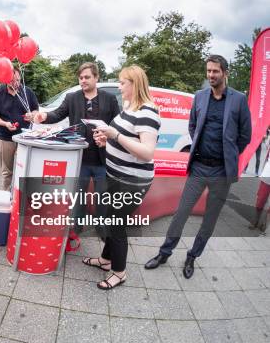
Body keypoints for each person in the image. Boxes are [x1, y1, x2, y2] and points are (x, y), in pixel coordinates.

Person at [145, 55, 252, 279]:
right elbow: (193, 125)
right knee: (181, 213)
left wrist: (228, 154)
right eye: (209, 71)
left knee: (209, 219)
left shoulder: (239, 100)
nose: (211, 75)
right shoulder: (200, 97)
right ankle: (164, 253)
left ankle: (192, 256)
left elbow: (245, 135)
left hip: (222, 172)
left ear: (225, 73)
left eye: (215, 71)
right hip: (199, 168)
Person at [82, 65, 160, 289]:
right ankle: (106, 261)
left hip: (132, 181)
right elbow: (126, 140)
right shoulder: (130, 107)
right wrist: (108, 141)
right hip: (116, 175)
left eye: (123, 82)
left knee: (115, 224)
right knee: (108, 217)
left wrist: (115, 135)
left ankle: (119, 272)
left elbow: (146, 152)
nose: (119, 86)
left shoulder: (148, 112)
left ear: (135, 84)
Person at [33, 62, 120, 231]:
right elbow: (57, 114)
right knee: (78, 197)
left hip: (103, 159)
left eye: (87, 77)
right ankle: (75, 229)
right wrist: (44, 116)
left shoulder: (109, 99)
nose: (83, 81)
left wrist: (108, 136)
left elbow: (116, 124)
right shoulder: (72, 98)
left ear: (96, 77)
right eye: (80, 78)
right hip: (80, 158)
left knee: (102, 198)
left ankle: (102, 230)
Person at [0, 67, 39, 190]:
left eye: (17, 80)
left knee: (25, 169)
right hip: (5, 138)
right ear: (5, 79)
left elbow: (36, 110)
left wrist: (32, 115)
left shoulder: (27, 92)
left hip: (25, 137)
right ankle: (6, 195)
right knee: (7, 172)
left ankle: (21, 196)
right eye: (12, 80)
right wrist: (5, 123)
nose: (16, 83)